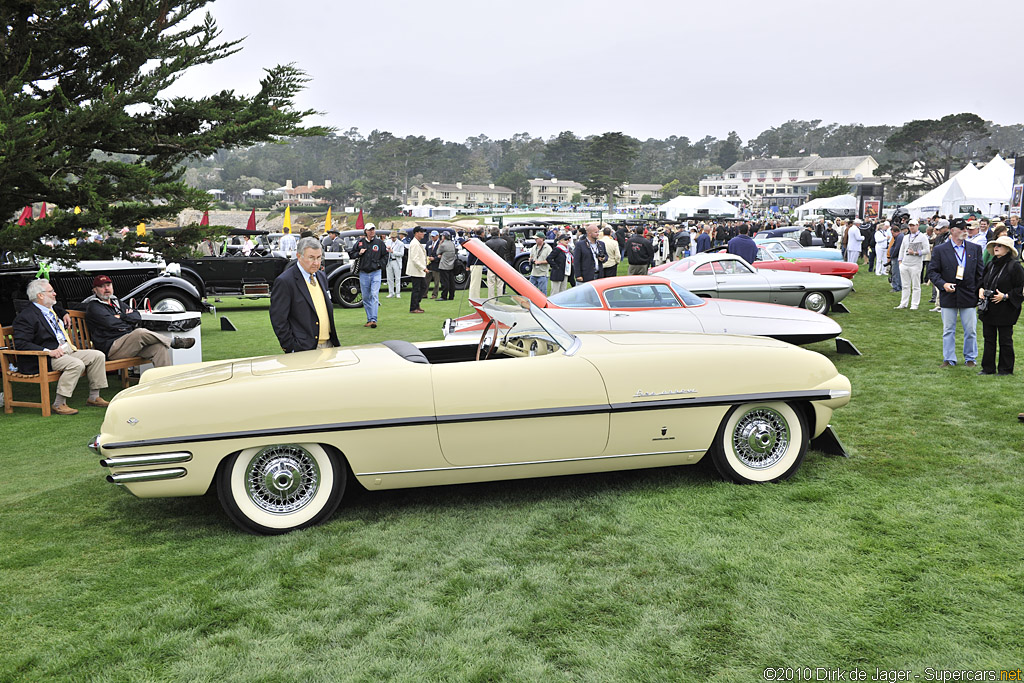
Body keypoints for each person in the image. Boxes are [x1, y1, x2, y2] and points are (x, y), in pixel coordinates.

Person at [13, 279, 109, 415]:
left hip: (67, 350)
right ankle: (59, 403)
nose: (55, 293)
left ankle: (94, 397)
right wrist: (48, 352)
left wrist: (64, 313)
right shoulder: (26, 317)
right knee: (76, 364)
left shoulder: (51, 309)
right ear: (40, 295)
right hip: (47, 357)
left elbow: (56, 307)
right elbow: (21, 343)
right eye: (51, 291)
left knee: (97, 355)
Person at [86, 275, 193, 369]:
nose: (106, 288)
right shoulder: (94, 306)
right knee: (139, 333)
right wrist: (127, 319)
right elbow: (111, 323)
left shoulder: (116, 302)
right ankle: (173, 342)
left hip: (129, 344)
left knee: (159, 348)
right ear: (95, 290)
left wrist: (121, 316)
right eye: (102, 286)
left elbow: (137, 316)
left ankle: (165, 384)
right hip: (112, 348)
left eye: (108, 285)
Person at [928, 219, 984, 367]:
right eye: (961, 228)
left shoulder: (975, 248)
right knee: (948, 330)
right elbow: (932, 272)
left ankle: (970, 358)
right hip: (948, 293)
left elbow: (980, 273)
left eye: (966, 228)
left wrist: (978, 289)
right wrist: (943, 284)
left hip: (968, 294)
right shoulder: (940, 249)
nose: (965, 230)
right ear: (952, 230)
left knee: (971, 330)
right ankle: (949, 358)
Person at [270, 237, 339, 351]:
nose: (316, 263)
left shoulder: (321, 276)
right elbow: (279, 319)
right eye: (311, 258)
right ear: (298, 256)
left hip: (329, 345)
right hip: (304, 349)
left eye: (319, 257)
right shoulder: (285, 281)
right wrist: (291, 347)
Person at [976, 236, 1024, 375]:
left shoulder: (1015, 266)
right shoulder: (991, 264)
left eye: (1000, 246)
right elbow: (982, 281)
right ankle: (988, 368)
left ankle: (1005, 369)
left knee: (1005, 340)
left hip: (1006, 309)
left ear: (1008, 250)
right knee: (989, 339)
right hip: (989, 308)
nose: (996, 248)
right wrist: (980, 289)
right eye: (995, 245)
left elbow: (1021, 288)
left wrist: (1005, 296)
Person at [348, 223, 386, 327]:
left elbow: (385, 256)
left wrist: (379, 264)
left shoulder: (379, 243)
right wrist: (359, 253)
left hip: (376, 272)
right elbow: (351, 254)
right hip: (364, 273)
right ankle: (369, 319)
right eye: (369, 230)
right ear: (365, 231)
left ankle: (374, 319)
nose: (371, 231)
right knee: (365, 297)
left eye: (373, 229)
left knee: (374, 294)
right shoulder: (360, 243)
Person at [895, 219, 929, 310]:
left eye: (913, 225)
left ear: (917, 225)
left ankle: (914, 304)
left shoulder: (922, 237)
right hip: (905, 264)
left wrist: (915, 252)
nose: (911, 227)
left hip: (915, 264)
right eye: (910, 225)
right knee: (905, 285)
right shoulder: (906, 237)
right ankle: (903, 303)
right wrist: (900, 261)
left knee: (916, 285)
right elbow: (902, 249)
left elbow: (927, 250)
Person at [406, 226, 427, 313]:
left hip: (419, 270)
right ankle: (413, 307)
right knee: (417, 289)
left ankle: (416, 305)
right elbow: (415, 259)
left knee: (422, 287)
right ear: (416, 233)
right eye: (421, 232)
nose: (423, 234)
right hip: (416, 270)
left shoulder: (417, 242)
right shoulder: (414, 243)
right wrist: (423, 268)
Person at [485, 228, 510, 297]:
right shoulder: (504, 242)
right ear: (499, 233)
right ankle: (499, 297)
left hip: (491, 264)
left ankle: (491, 299)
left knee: (491, 284)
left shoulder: (487, 243)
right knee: (500, 284)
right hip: (501, 264)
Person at [384, 229, 406, 299]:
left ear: (396, 237)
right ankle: (391, 293)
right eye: (392, 237)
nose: (393, 239)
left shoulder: (400, 243)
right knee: (389, 278)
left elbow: (402, 254)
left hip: (396, 261)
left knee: (397, 278)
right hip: (389, 261)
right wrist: (387, 249)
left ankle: (398, 293)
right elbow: (385, 250)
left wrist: (393, 252)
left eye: (394, 237)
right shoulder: (388, 242)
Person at [436, 231, 457, 301]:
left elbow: (437, 252)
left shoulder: (443, 245)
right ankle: (451, 296)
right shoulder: (452, 244)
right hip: (451, 264)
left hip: (444, 265)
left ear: (444, 237)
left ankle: (444, 296)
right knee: (451, 281)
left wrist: (440, 244)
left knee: (445, 282)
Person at [466, 227, 485, 299]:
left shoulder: (474, 240)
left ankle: (475, 298)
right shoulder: (477, 241)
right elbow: (471, 254)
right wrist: (468, 265)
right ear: (482, 233)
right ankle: (473, 299)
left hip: (475, 263)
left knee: (475, 283)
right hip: (476, 264)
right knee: (475, 283)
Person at [425, 230, 442, 299]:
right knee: (426, 280)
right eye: (431, 236)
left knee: (436, 281)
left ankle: (434, 294)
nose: (432, 237)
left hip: (436, 265)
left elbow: (441, 255)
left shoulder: (440, 243)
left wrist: (434, 258)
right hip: (429, 265)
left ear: (437, 236)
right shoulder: (429, 243)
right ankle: (424, 294)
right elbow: (426, 252)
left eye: (433, 236)